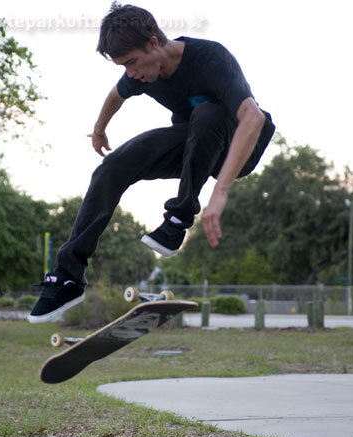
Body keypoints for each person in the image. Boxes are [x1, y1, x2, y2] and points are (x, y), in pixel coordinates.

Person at [28, 2, 275, 323]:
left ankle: (178, 219)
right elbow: (116, 94)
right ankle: (69, 275)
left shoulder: (210, 59)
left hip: (238, 147)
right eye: (124, 67)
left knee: (208, 113)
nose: (132, 74)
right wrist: (99, 130)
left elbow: (253, 117)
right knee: (113, 166)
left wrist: (220, 192)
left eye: (133, 63)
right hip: (193, 150)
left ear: (154, 43)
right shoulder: (139, 75)